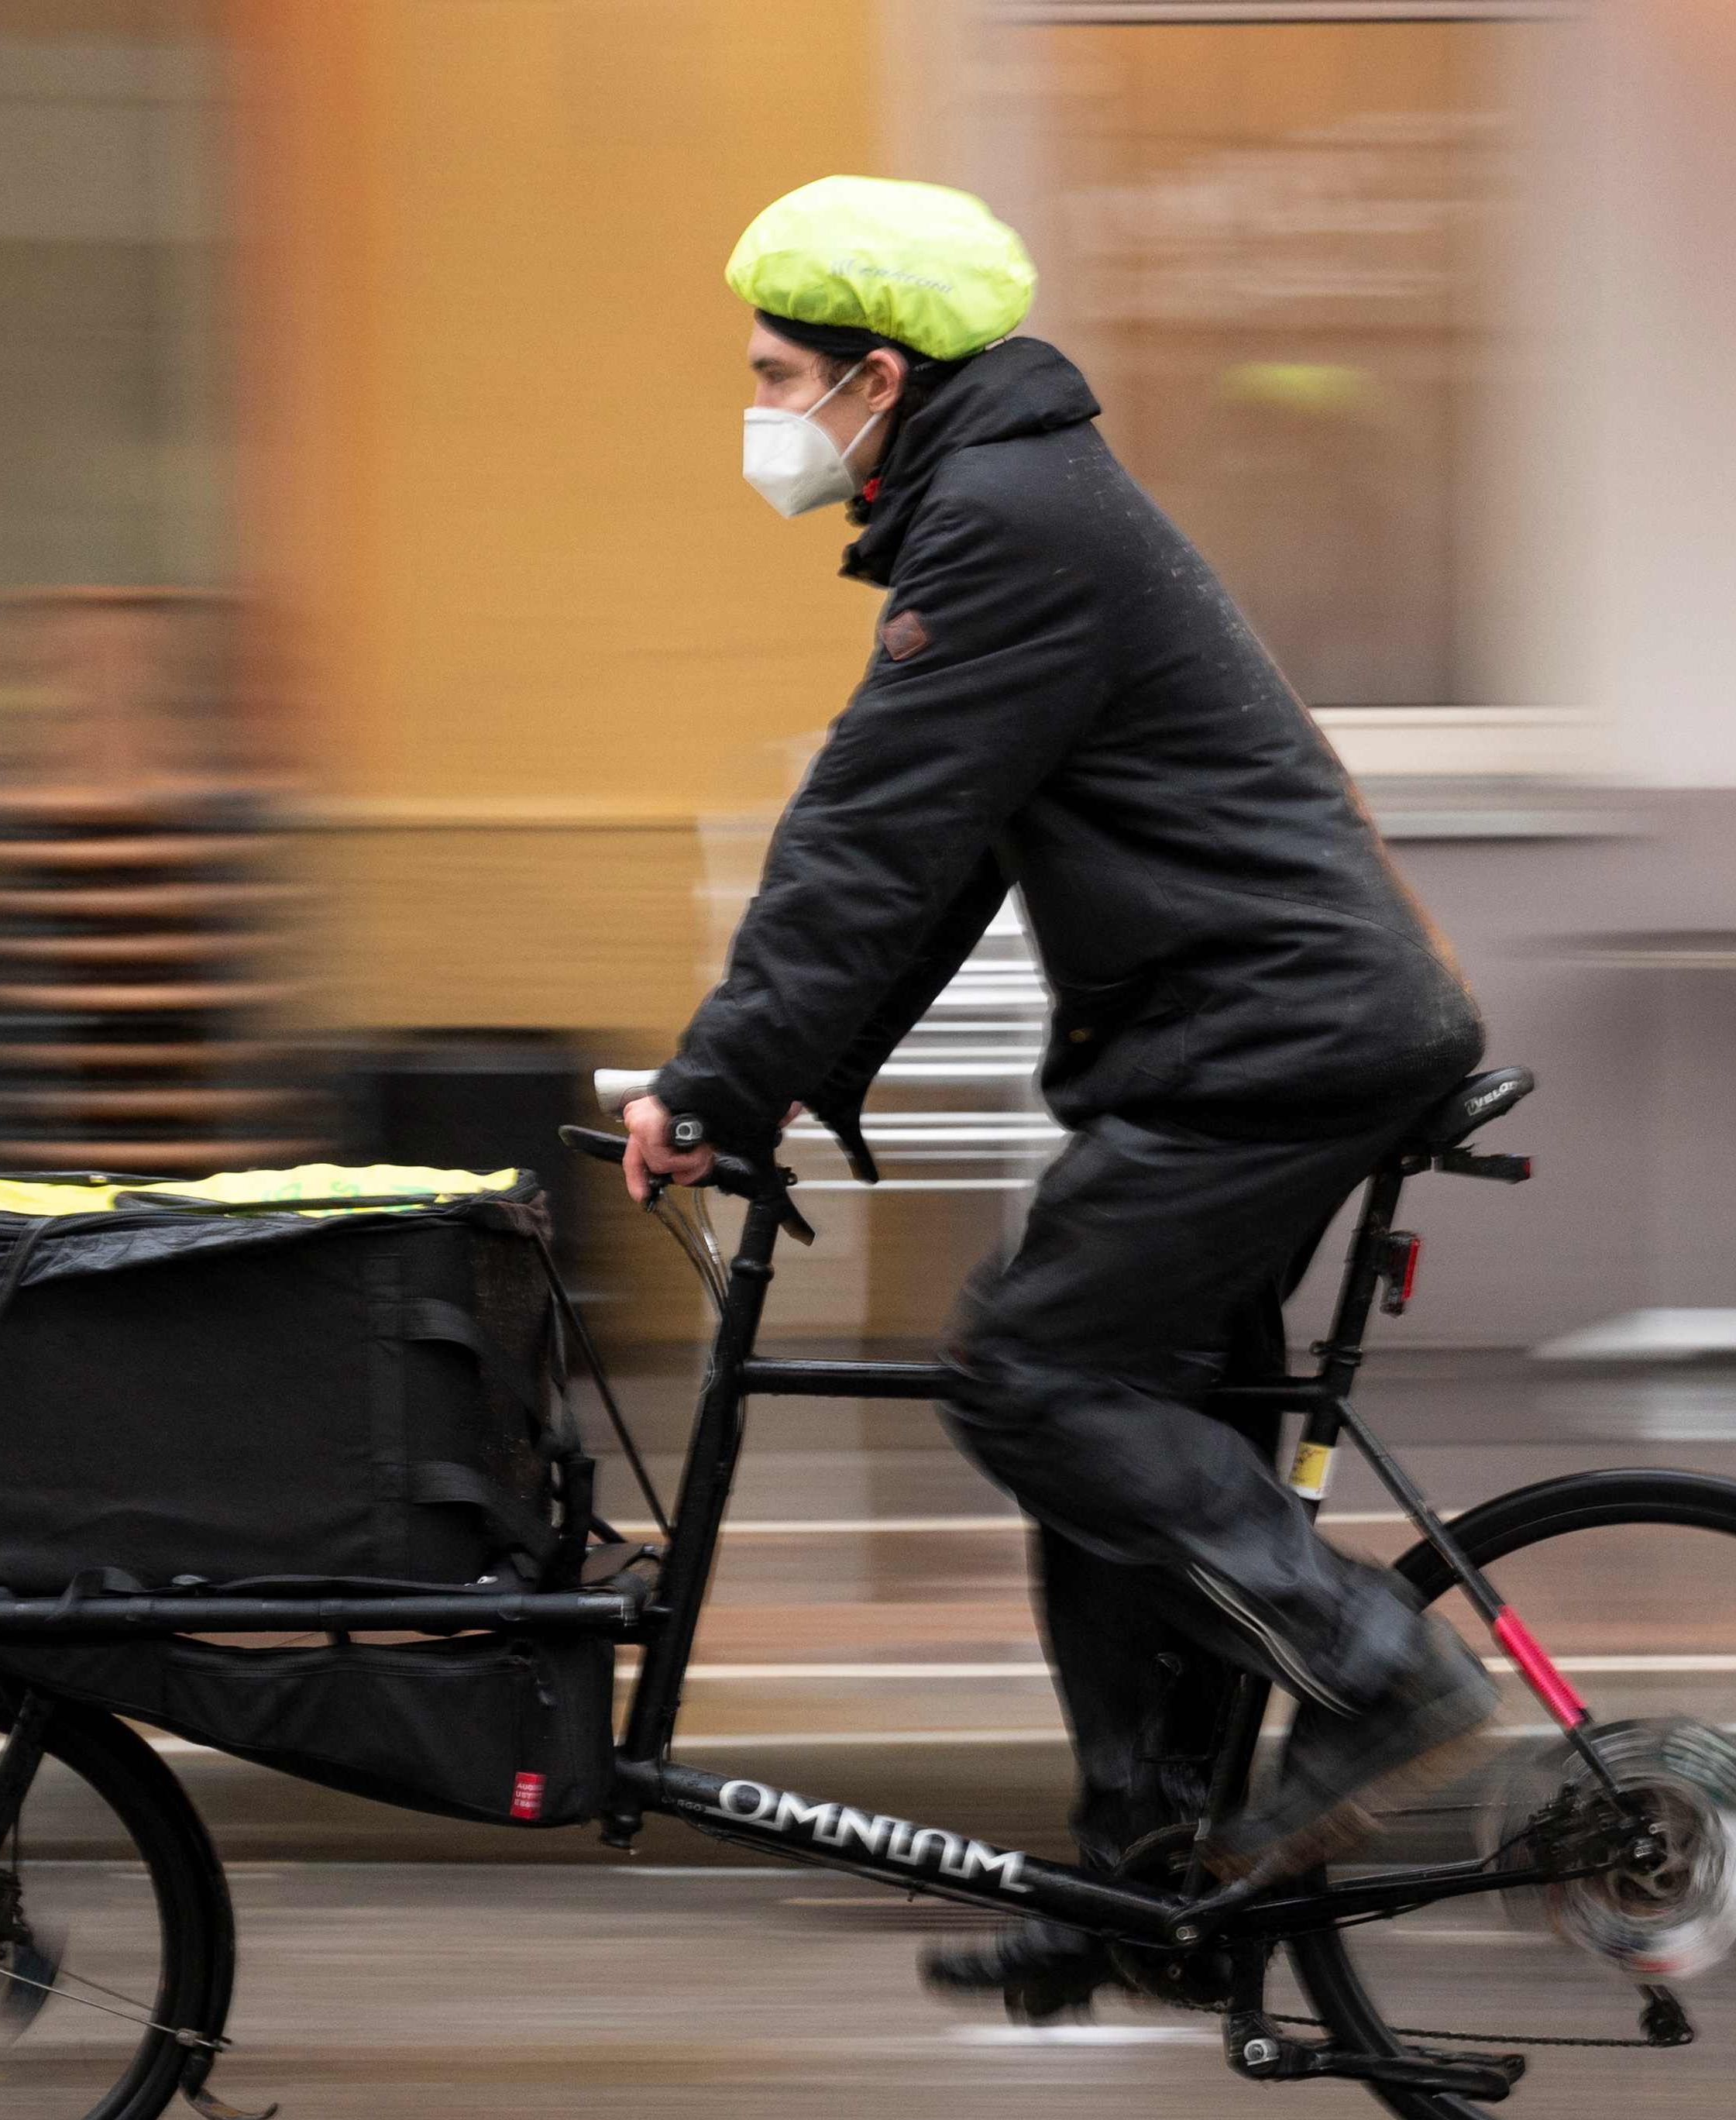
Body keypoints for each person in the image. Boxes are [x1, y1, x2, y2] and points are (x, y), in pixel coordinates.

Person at [620, 175, 1495, 2019]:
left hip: (1268, 1044)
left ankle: (1371, 1662)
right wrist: (775, 1089)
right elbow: (934, 862)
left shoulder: (1006, 525)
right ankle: (1150, 1880)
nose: (762, 410)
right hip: (1243, 1038)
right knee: (1111, 1429)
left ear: (877, 373)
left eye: (778, 374)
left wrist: (715, 1081)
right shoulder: (1008, 501)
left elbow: (859, 839)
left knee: (1026, 1374)